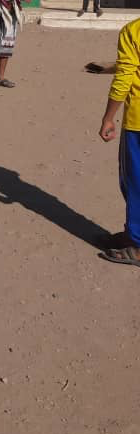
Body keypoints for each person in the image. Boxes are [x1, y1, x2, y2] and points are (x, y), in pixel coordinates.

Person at [98, 17, 140, 266]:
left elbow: (125, 77)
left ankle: (136, 244)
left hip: (138, 124)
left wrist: (108, 118)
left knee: (134, 182)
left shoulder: (133, 31)